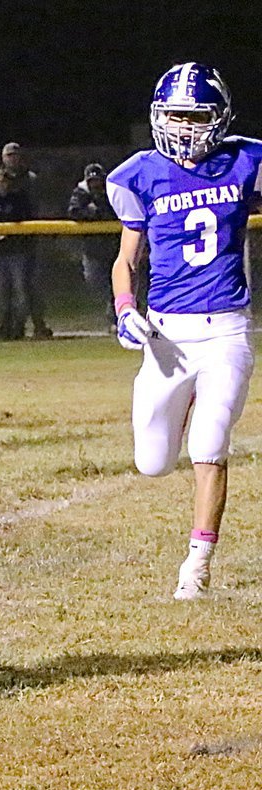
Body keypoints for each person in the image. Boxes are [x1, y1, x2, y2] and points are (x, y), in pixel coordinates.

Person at [107, 62, 262, 600]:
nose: (184, 127)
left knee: (210, 442)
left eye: (195, 117)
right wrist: (126, 308)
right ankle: (186, 399)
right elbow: (126, 260)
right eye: (175, 115)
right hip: (167, 336)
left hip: (226, 331)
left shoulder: (247, 160)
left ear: (219, 119)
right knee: (151, 463)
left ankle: (197, 564)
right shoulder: (139, 174)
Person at [0, 141, 50, 337]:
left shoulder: (29, 180)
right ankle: (8, 327)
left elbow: (33, 209)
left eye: (15, 155)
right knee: (5, 290)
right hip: (2, 247)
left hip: (25, 243)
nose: (12, 159)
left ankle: (34, 325)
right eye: (9, 155)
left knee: (28, 287)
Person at [0, 168, 35, 340]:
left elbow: (23, 218)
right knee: (3, 292)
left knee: (20, 291)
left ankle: (19, 327)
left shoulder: (18, 198)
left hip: (16, 251)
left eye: (4, 182)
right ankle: (4, 327)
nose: (1, 185)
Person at [67, 162, 119, 328]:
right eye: (92, 180)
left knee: (117, 285)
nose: (95, 184)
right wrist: (90, 212)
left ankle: (117, 318)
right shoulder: (81, 193)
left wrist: (100, 207)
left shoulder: (111, 191)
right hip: (92, 248)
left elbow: (116, 212)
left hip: (113, 246)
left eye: (98, 180)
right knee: (95, 281)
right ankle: (114, 310)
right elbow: (73, 212)